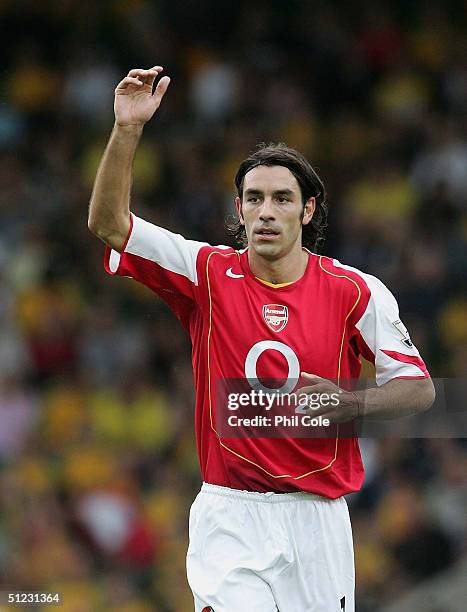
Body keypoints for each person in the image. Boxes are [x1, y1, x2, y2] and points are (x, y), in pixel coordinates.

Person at [88, 66, 435, 612]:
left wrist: (350, 404)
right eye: (253, 199)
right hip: (231, 516)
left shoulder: (355, 292)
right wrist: (127, 129)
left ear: (308, 208)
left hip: (318, 519)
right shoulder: (205, 273)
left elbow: (418, 389)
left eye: (280, 198)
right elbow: (110, 224)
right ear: (239, 209)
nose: (265, 212)